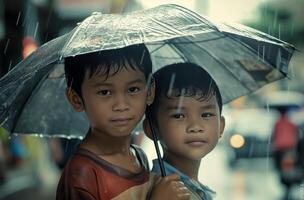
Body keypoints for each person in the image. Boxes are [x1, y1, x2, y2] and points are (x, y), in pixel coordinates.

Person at [56, 44, 190, 200]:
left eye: (133, 89)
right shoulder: (82, 175)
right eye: (105, 92)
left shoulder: (139, 157)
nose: (121, 105)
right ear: (76, 99)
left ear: (150, 91)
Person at [143, 63, 226, 200]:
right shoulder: (160, 190)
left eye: (206, 115)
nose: (195, 126)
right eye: (179, 116)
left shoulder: (192, 188)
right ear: (152, 129)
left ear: (221, 126)